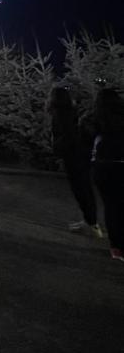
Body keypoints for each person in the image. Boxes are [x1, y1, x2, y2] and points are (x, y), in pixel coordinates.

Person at [48, 86, 102, 237]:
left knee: (81, 190)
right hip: (81, 156)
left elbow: (67, 136)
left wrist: (57, 147)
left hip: (73, 157)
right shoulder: (72, 111)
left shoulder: (61, 114)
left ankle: (91, 224)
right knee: (85, 189)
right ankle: (91, 222)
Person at [91, 88, 124, 262]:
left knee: (111, 207)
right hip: (121, 164)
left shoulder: (93, 119)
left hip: (101, 168)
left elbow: (85, 142)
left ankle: (116, 247)